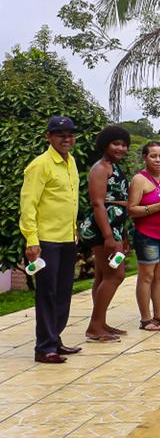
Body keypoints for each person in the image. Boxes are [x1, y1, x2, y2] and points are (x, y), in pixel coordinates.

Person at [20, 116, 83, 363]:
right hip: (46, 240)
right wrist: (31, 240)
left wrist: (74, 231)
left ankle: (55, 339)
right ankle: (44, 347)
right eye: (60, 135)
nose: (66, 139)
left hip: (67, 237)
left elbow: (71, 200)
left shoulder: (72, 162)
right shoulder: (40, 165)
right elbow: (28, 205)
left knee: (63, 291)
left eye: (70, 134)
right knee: (47, 292)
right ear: (49, 137)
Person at [80, 125, 131, 342]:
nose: (121, 148)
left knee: (102, 276)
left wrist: (123, 235)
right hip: (102, 229)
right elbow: (97, 203)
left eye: (124, 145)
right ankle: (94, 327)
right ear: (105, 145)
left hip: (115, 227)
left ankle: (100, 322)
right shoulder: (100, 168)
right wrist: (109, 236)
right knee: (115, 275)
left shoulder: (115, 166)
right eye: (116, 144)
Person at [127, 141, 160, 331]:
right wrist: (158, 207)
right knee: (146, 276)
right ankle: (146, 318)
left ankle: (159, 314)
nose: (158, 160)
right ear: (144, 157)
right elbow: (132, 209)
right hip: (147, 234)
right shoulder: (139, 180)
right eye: (153, 156)